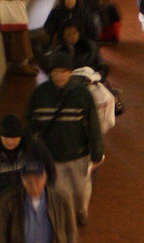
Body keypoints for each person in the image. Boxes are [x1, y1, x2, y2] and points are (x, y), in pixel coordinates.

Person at [25, 48, 104, 225]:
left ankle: (81, 209)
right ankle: (68, 216)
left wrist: (97, 151)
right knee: (61, 190)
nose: (59, 76)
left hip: (78, 153)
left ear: (70, 72)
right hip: (52, 154)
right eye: (56, 71)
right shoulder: (40, 94)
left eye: (64, 71)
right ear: (50, 72)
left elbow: (93, 125)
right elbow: (30, 123)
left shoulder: (82, 94)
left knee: (81, 188)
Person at [0, 114, 55, 214]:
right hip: (0, 209)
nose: (10, 142)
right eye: (6, 137)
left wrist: (44, 199)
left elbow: (50, 172)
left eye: (14, 138)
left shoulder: (35, 149)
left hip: (29, 207)